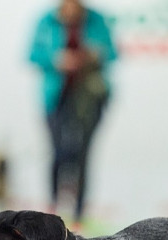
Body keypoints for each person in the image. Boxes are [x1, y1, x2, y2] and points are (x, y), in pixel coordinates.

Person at [29, 0, 117, 226]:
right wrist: (56, 59)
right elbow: (32, 54)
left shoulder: (96, 20)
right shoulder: (46, 21)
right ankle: (53, 210)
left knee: (83, 154)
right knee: (57, 152)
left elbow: (112, 53)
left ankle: (79, 214)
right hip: (57, 98)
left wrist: (92, 56)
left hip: (89, 99)